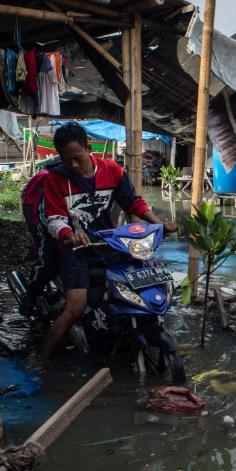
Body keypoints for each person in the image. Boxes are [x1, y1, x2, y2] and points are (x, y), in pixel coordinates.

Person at [40, 123, 170, 358]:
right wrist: (70, 234)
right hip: (75, 249)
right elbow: (54, 219)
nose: (73, 165)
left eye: (77, 158)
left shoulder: (112, 170)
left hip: (108, 244)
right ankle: (44, 360)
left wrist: (157, 223)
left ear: (88, 146)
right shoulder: (55, 178)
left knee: (138, 285)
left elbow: (133, 202)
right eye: (66, 160)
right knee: (76, 307)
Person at [18, 164, 57, 317]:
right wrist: (33, 228)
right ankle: (30, 298)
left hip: (74, 228)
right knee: (47, 263)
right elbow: (28, 202)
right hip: (44, 224)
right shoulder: (44, 176)